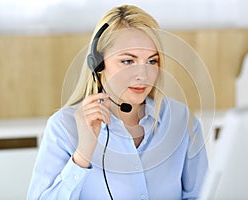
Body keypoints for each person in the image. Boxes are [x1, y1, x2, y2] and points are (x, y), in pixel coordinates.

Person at [27, 4, 208, 200]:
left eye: (151, 61)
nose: (143, 75)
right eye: (128, 61)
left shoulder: (181, 121)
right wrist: (82, 156)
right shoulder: (63, 127)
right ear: (98, 64)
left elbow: (203, 195)